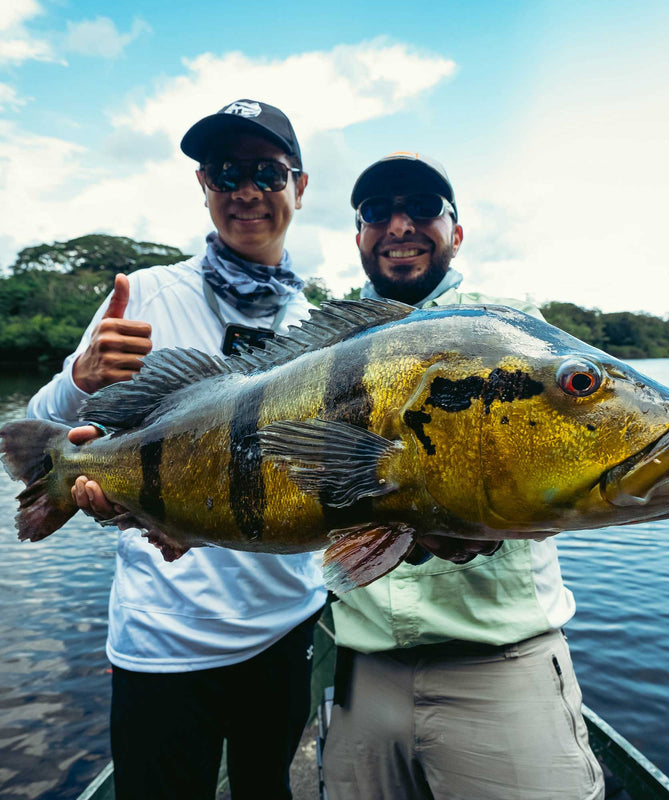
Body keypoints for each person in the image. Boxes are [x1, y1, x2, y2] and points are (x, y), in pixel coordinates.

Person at [27, 100, 327, 800]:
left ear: (300, 186)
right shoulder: (145, 295)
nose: (246, 191)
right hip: (164, 643)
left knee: (267, 789)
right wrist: (81, 379)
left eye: (267, 172)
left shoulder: (318, 324)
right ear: (203, 185)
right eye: (226, 173)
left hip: (288, 627)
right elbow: (40, 425)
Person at [321, 152, 604, 800]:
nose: (400, 226)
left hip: (501, 670)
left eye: (424, 208)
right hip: (364, 672)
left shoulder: (510, 332)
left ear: (457, 230)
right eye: (377, 211)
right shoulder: (322, 351)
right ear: (358, 235)